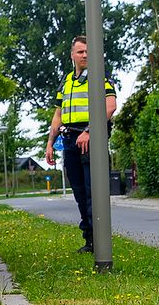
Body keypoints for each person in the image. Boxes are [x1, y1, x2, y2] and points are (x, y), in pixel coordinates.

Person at [44, 35, 117, 253]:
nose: (85, 55)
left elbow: (110, 106)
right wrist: (50, 142)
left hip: (90, 140)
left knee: (93, 191)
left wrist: (89, 131)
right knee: (79, 192)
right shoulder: (67, 81)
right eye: (80, 51)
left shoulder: (100, 76)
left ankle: (99, 241)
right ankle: (89, 239)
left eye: (87, 51)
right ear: (72, 55)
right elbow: (58, 114)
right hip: (69, 140)